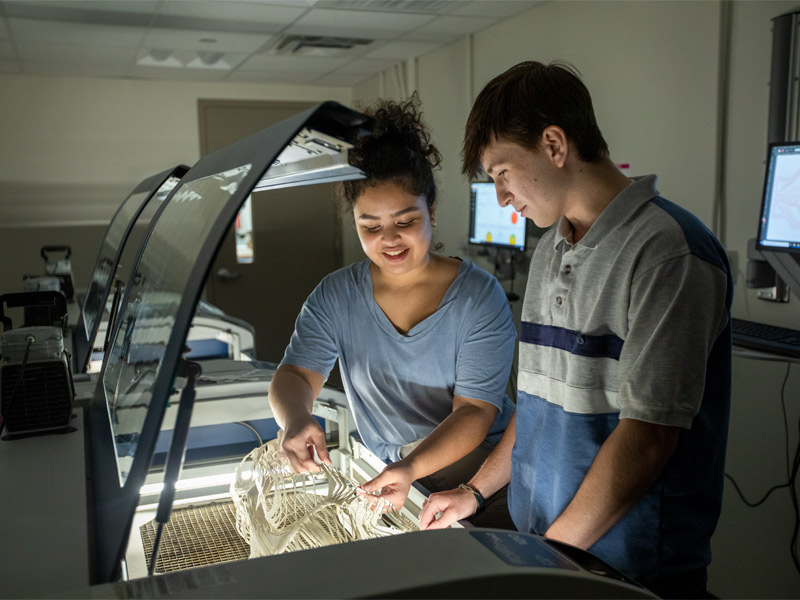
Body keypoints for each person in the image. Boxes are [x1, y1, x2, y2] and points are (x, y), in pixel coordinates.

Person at [419, 61, 732, 599]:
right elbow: (539, 403)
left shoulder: (668, 252)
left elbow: (648, 437)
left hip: (625, 574)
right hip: (550, 552)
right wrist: (474, 491)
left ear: (554, 144)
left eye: (501, 173)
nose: (501, 197)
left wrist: (547, 564)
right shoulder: (550, 250)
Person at [268, 95, 517, 527]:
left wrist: (411, 468)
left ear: (432, 211)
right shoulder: (336, 296)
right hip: (397, 475)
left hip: (482, 478)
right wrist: (295, 417)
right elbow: (294, 375)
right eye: (371, 226)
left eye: (405, 221)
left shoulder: (478, 297)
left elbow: (475, 412)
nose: (390, 239)